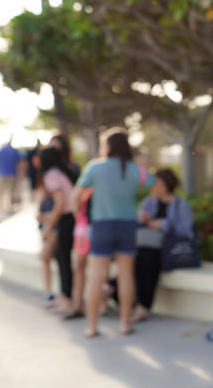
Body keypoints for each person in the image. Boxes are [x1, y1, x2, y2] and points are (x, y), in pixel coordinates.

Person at [74, 128, 155, 337]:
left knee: (96, 277)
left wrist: (78, 217)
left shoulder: (95, 167)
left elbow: (77, 195)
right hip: (128, 225)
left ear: (108, 146)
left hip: (102, 225)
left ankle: (92, 326)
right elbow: (155, 186)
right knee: (125, 275)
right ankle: (125, 324)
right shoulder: (135, 170)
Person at [134, 168, 193, 322]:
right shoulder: (149, 202)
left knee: (147, 260)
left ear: (167, 184)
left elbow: (186, 231)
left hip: (169, 250)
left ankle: (116, 290)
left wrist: (162, 224)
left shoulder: (181, 205)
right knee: (142, 259)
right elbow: (136, 222)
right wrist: (142, 219)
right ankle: (142, 306)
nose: (152, 186)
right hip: (147, 249)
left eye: (156, 183)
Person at [38, 147, 79, 318]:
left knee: (63, 261)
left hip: (66, 219)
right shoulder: (64, 172)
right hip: (73, 218)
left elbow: (60, 203)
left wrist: (48, 228)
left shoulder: (51, 175)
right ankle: (65, 298)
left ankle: (67, 300)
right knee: (64, 260)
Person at [0, 137, 22, 214]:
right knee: (11, 190)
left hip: (2, 173)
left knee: (2, 190)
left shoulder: (2, 151)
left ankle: (1, 205)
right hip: (12, 173)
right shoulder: (14, 151)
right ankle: (9, 206)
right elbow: (19, 163)